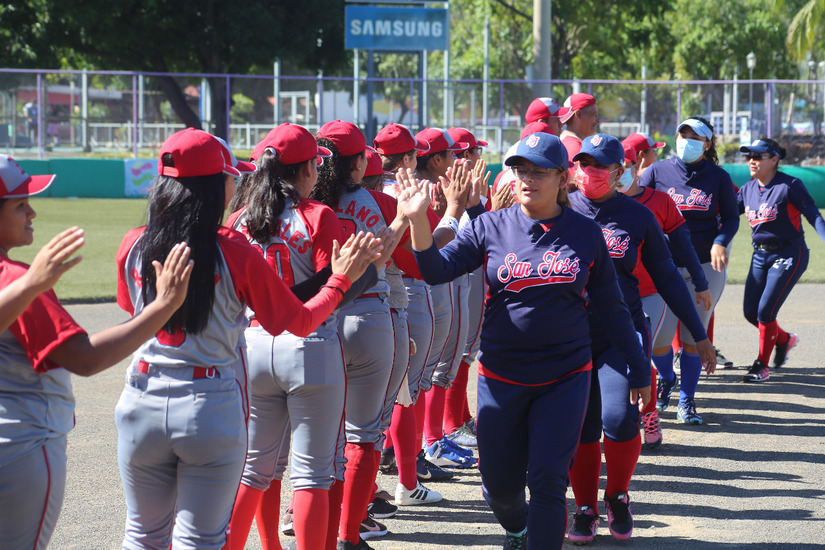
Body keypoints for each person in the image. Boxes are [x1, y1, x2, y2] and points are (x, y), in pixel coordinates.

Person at [114, 128, 376, 550]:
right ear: (213, 186)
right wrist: (341, 280)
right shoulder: (233, 247)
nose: (236, 183)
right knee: (304, 478)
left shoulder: (133, 245)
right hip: (217, 393)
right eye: (228, 177)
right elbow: (297, 318)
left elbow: (133, 312)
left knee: (144, 535)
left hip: (143, 394)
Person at [401, 131, 651, 550]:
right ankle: (518, 528)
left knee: (548, 483)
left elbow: (613, 310)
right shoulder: (489, 226)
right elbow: (433, 270)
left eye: (538, 170)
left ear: (561, 177)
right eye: (519, 169)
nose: (526, 178)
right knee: (499, 488)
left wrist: (640, 371)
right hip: (501, 378)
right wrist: (417, 221)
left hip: (565, 377)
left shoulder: (585, 233)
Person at [0, 157, 192, 550]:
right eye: (20, 204)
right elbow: (85, 359)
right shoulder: (16, 279)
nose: (32, 211)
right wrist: (162, 308)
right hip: (23, 447)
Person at [223, 123, 385, 550]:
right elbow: (330, 289)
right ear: (309, 169)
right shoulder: (318, 215)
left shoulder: (239, 219)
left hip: (253, 345)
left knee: (255, 470)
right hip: (310, 345)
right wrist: (356, 271)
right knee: (311, 473)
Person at [566, 134, 714, 544]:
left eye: (599, 165)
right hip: (571, 336)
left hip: (622, 331)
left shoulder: (636, 215)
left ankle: (617, 496)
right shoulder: (563, 210)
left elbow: (666, 276)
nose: (588, 172)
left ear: (619, 172)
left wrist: (698, 335)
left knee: (618, 417)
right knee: (583, 423)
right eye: (583, 163)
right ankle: (584, 508)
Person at [639, 117, 739, 425]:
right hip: (663, 266)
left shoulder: (718, 177)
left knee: (693, 336)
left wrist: (721, 241)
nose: (687, 140)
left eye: (695, 136)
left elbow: (732, 218)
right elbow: (635, 205)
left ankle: (687, 400)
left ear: (708, 144)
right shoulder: (657, 171)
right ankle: (668, 377)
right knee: (659, 339)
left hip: (705, 267)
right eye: (683, 134)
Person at [616, 144, 711, 450]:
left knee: (641, 354)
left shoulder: (658, 200)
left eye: (625, 163)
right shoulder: (593, 203)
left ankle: (649, 414)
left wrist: (699, 281)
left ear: (637, 164)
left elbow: (682, 246)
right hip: (608, 296)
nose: (618, 171)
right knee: (642, 355)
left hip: (651, 293)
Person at [737, 138, 825, 381]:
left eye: (758, 156)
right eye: (748, 157)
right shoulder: (747, 189)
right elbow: (728, 216)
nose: (751, 161)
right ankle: (785, 340)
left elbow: (812, 214)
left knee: (766, 311)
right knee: (750, 313)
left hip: (789, 253)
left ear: (774, 159)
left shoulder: (789, 185)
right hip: (760, 255)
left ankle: (761, 366)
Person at [0, 226, 84, 333]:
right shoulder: (16, 277)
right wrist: (31, 284)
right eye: (20, 208)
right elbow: (71, 349)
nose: (32, 213)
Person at [559, 93, 599, 159]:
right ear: (578, 114)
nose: (598, 121)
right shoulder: (575, 148)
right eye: (594, 115)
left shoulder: (566, 141)